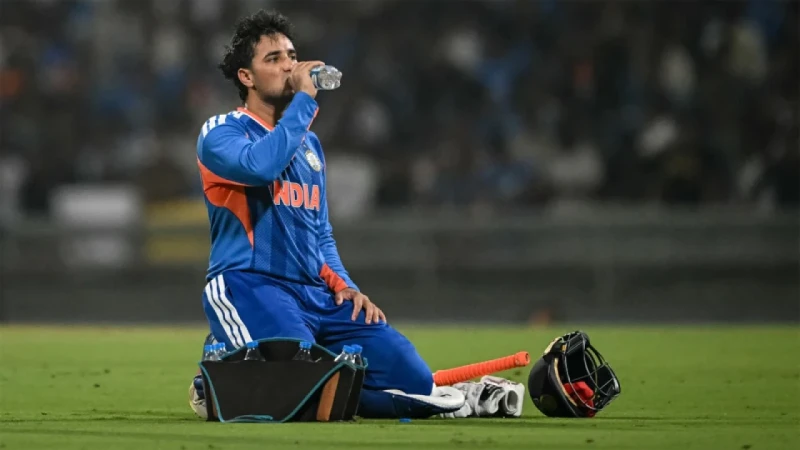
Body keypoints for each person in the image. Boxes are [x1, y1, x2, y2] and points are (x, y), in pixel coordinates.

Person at [187, 9, 464, 420]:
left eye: (291, 55)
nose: (289, 66)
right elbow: (261, 167)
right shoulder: (222, 131)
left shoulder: (310, 145)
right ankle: (219, 367)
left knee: (414, 380)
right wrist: (303, 102)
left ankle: (314, 380)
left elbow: (319, 232)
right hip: (251, 284)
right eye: (274, 59)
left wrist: (346, 286)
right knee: (299, 392)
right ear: (247, 77)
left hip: (315, 293)